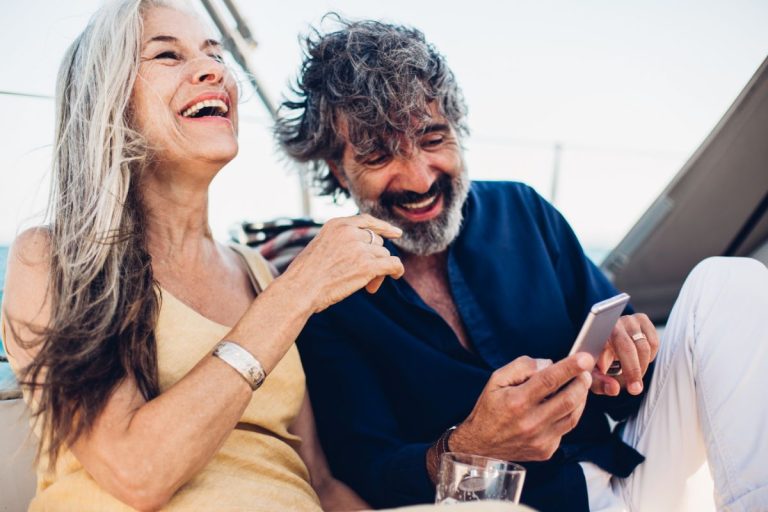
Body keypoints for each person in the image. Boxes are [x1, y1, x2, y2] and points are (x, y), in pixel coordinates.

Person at [276, 18, 768, 512]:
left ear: (458, 131)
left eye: (432, 140)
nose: (420, 177)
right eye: (380, 155)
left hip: (630, 475)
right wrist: (470, 448)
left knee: (730, 281)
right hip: (494, 503)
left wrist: (627, 357)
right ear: (339, 169)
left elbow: (627, 387)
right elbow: (365, 474)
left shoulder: (523, 211)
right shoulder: (329, 296)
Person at [0, 2, 410, 510]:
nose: (214, 70)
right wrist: (299, 290)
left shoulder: (256, 272)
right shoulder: (53, 258)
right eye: (167, 55)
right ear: (107, 101)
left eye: (215, 54)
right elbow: (136, 471)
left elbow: (321, 484)